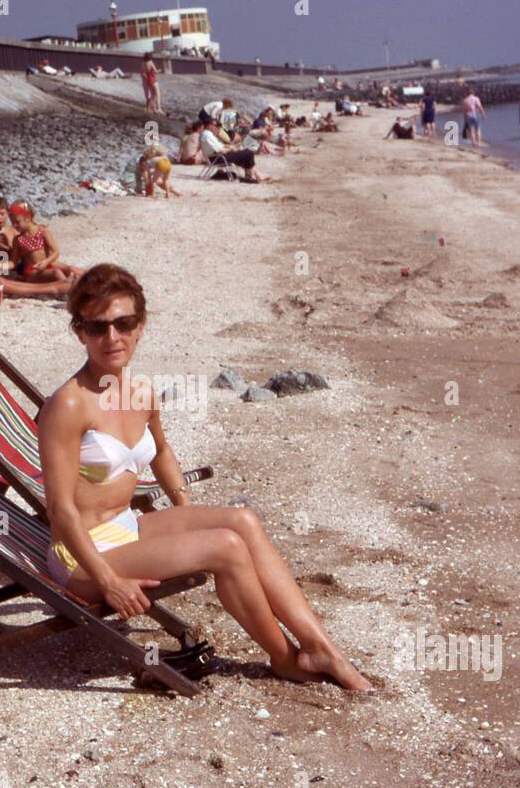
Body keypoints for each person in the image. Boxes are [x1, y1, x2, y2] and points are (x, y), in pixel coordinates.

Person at [37, 264, 373, 691]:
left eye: (124, 323)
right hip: (81, 558)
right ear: (79, 331)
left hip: (124, 529)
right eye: (97, 327)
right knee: (225, 547)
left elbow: (161, 450)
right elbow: (59, 509)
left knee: (241, 521)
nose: (112, 338)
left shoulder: (140, 391)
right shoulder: (68, 406)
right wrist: (108, 581)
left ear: (141, 325)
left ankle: (322, 647)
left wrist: (187, 514)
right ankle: (285, 658)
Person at [8, 199, 81, 282]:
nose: (14, 225)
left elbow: (56, 252)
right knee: (56, 273)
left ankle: (94, 278)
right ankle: (69, 288)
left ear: (28, 218)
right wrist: (0, 266)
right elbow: (13, 262)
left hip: (46, 266)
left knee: (71, 269)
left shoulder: (43, 232)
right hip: (31, 271)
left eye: (17, 222)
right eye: (12, 222)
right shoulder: (18, 240)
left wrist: (46, 262)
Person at [198, 119, 264, 181]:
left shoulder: (205, 134)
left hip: (215, 157)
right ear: (210, 125)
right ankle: (250, 176)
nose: (216, 127)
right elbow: (220, 150)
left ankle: (251, 175)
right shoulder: (207, 134)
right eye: (215, 125)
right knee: (248, 153)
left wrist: (232, 148)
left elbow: (219, 147)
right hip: (218, 158)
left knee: (244, 152)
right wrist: (232, 149)